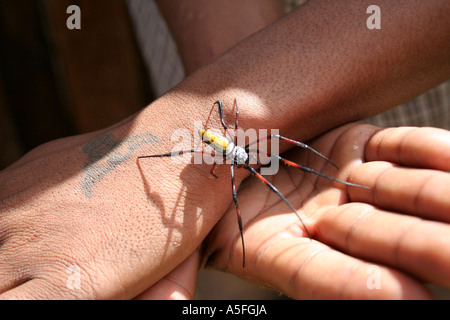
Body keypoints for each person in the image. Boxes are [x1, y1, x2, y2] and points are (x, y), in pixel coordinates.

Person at [0, 0, 449, 299]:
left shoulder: (240, 146)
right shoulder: (217, 150)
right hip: (211, 125)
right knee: (231, 248)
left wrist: (264, 99)